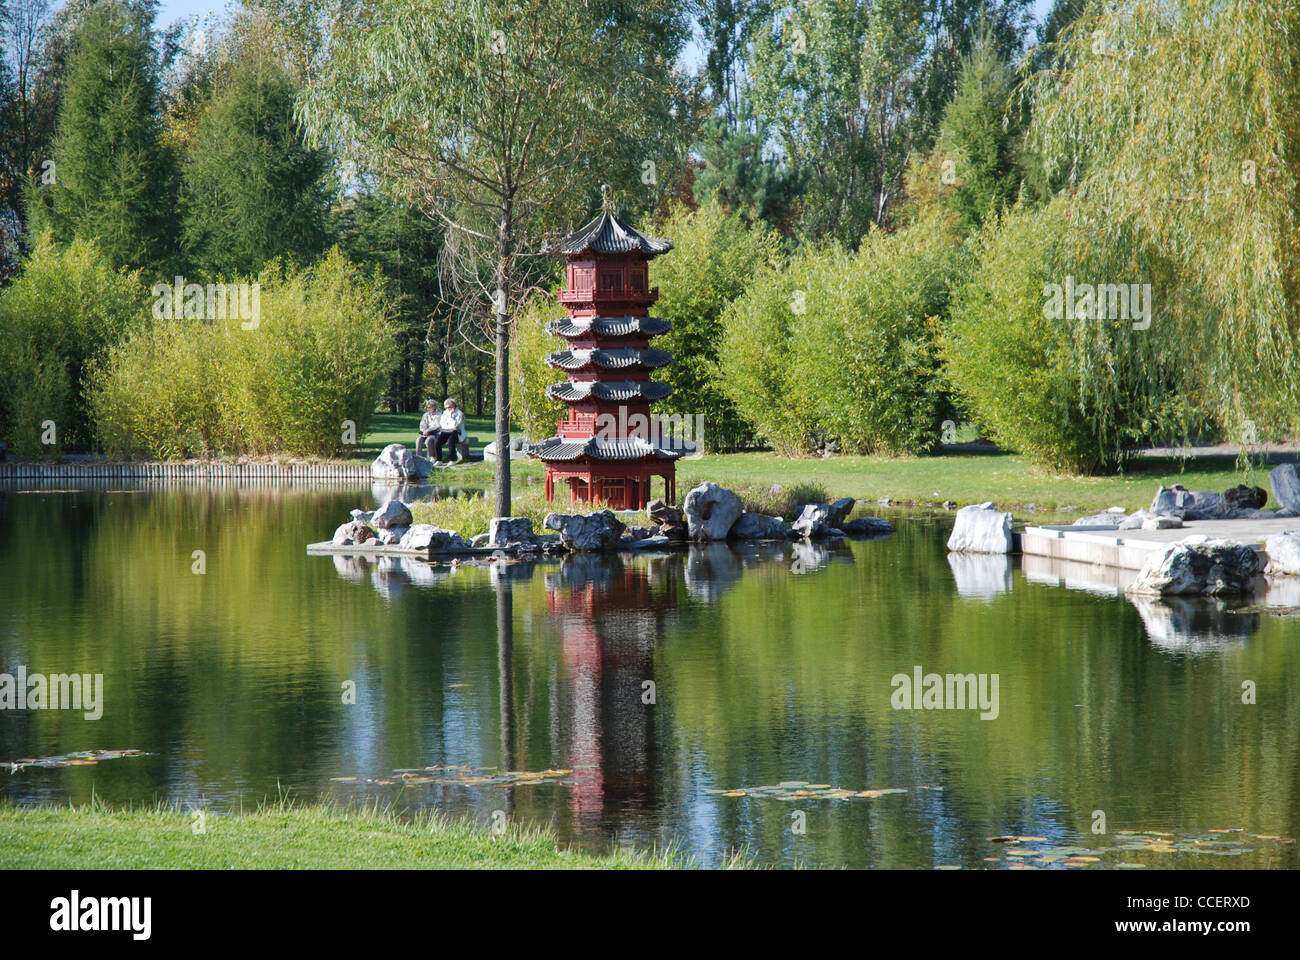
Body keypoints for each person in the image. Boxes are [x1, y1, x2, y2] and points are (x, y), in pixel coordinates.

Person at [434, 398, 466, 464]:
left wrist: (451, 417)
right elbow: (442, 423)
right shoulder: (445, 412)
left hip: (457, 433)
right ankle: (439, 460)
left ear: (453, 406)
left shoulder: (459, 413)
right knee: (437, 441)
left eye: (449, 407)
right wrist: (449, 427)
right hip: (446, 431)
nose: (447, 409)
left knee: (450, 441)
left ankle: (452, 460)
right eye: (446, 407)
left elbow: (456, 426)